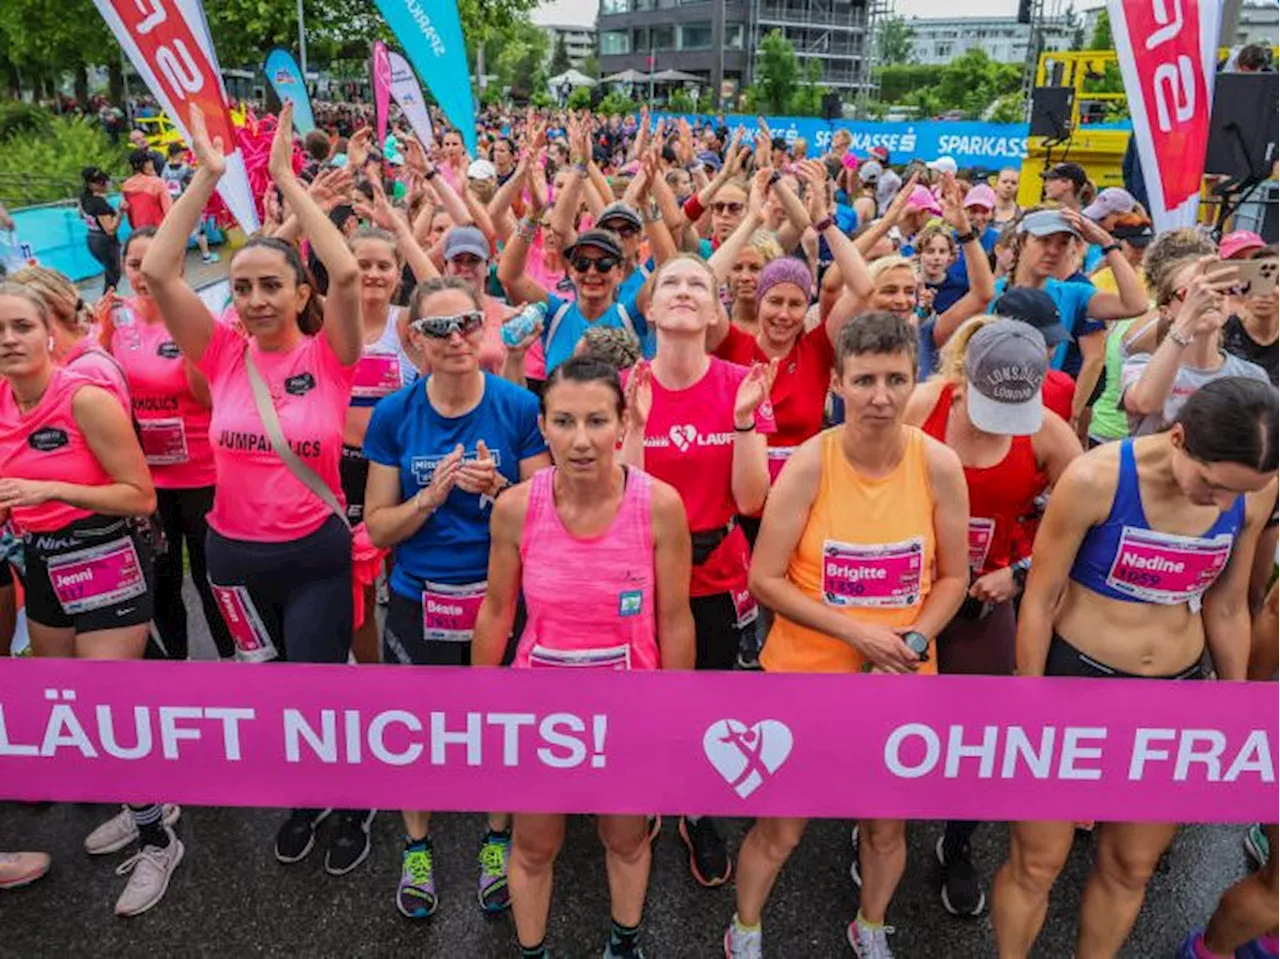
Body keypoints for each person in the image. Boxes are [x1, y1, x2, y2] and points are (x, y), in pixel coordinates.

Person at [140, 103, 373, 874]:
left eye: (272, 284)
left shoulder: (332, 353)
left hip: (312, 552)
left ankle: (349, 797)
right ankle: (305, 799)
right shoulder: (221, 355)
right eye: (242, 288)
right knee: (272, 696)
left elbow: (344, 270)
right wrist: (206, 176)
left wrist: (284, 180)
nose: (256, 299)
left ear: (298, 291)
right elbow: (158, 272)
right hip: (232, 557)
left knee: (315, 685)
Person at [992, 377, 1279, 959]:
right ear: (1178, 437)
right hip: (1075, 685)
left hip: (1171, 698)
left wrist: (1236, 702)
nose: (1223, 504)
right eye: (1213, 485)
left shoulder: (1252, 493)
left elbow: (1226, 606)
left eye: (1238, 494)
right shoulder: (1097, 477)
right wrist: (1028, 697)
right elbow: (1041, 597)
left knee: (1131, 867)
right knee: (1038, 863)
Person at [726, 312, 969, 959]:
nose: (881, 396)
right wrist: (858, 633)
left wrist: (914, 639)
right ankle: (746, 925)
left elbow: (953, 577)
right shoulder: (810, 463)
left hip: (900, 676)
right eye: (864, 380)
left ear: (914, 378)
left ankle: (871, 923)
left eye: (895, 378)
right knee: (781, 825)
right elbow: (766, 578)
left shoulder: (939, 464)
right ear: (838, 383)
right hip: (806, 678)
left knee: (886, 828)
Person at [472, 354, 695, 959]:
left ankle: (623, 943)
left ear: (622, 425)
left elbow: (675, 618)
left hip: (630, 711)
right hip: (542, 712)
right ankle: (533, 950)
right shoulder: (518, 507)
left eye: (597, 421)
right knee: (535, 845)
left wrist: (676, 715)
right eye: (563, 421)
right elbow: (496, 611)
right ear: (542, 426)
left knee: (624, 838)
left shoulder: (659, 506)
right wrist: (482, 703)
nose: (580, 440)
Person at [364, 276, 551, 919]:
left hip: (498, 597)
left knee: (498, 726)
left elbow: (541, 519)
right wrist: (431, 497)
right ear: (414, 340)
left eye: (467, 322)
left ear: (483, 327)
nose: (456, 338)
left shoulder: (517, 408)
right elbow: (378, 526)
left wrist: (500, 486)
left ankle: (495, 838)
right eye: (438, 328)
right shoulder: (394, 414)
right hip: (419, 597)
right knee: (414, 730)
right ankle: (417, 846)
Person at [0, 280, 180, 916]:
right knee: (65, 697)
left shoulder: (85, 398)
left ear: (48, 330)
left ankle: (158, 837)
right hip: (42, 563)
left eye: (20, 326)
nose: (8, 339)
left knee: (106, 701)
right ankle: (147, 801)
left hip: (104, 554)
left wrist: (47, 488)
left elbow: (140, 495)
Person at [906, 317, 1082, 918]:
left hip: (984, 597)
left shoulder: (1050, 434)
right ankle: (877, 828)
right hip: (908, 592)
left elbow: (1086, 521)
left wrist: (1023, 570)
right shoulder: (922, 405)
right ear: (963, 375)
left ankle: (956, 842)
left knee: (981, 731)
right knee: (887, 716)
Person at [621, 254, 773, 890]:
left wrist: (740, 422)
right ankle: (646, 789)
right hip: (641, 570)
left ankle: (695, 806)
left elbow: (751, 501)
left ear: (715, 311)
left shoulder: (742, 381)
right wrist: (635, 423)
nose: (683, 292)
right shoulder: (627, 381)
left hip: (715, 574)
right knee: (643, 695)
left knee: (706, 697)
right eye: (670, 283)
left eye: (697, 285)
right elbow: (619, 496)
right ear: (650, 309)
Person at [98, 228, 234, 661]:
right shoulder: (115, 321)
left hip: (201, 473)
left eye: (154, 263)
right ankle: (175, 673)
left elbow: (209, 399)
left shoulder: (197, 318)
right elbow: (101, 392)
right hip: (144, 478)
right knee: (161, 576)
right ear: (124, 267)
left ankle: (233, 665)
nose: (143, 274)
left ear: (176, 265)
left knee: (211, 577)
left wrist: (190, 342)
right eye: (135, 264)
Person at [1122, 257, 1270, 436]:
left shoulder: (1252, 375)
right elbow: (1146, 402)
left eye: (1217, 290)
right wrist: (1188, 319)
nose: (1207, 299)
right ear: (1165, 312)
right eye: (1190, 293)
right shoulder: (1142, 365)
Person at [79, 167, 123, 292]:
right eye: (100, 182)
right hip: (104, 241)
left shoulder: (84, 198)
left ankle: (109, 300)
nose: (104, 184)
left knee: (111, 273)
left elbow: (81, 214)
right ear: (91, 185)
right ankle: (107, 302)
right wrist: (120, 213)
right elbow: (110, 229)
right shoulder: (99, 204)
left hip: (92, 237)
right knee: (113, 275)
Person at [121, 149, 172, 232]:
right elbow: (169, 211)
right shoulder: (157, 183)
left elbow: (129, 213)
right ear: (147, 164)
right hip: (158, 230)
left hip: (139, 231)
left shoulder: (126, 186)